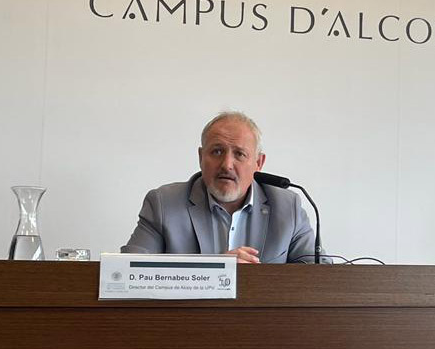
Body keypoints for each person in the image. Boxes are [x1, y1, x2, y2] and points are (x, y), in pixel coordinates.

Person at [121, 111, 320, 264]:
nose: (227, 164)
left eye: (239, 154)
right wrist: (215, 269)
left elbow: (320, 276)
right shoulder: (163, 204)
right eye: (217, 151)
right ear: (201, 157)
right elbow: (129, 273)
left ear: (259, 163)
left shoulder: (288, 207)